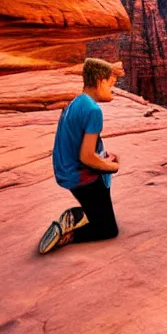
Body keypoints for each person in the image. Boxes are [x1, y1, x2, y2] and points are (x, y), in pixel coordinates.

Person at [38, 58, 125, 255]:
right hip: (81, 177)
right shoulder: (94, 111)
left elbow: (77, 144)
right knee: (108, 229)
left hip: (65, 171)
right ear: (100, 81)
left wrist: (104, 157)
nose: (113, 89)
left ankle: (85, 214)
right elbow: (86, 157)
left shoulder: (75, 103)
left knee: (100, 210)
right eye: (111, 84)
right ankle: (71, 228)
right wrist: (111, 167)